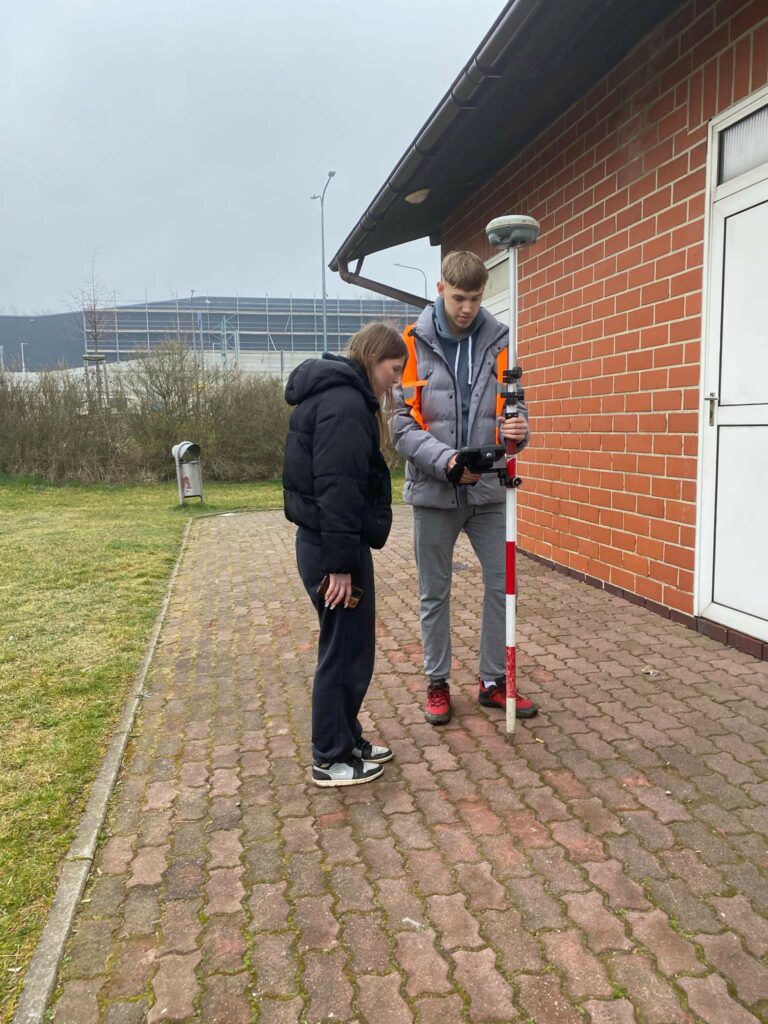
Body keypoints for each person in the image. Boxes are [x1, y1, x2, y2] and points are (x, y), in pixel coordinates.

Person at [390, 250, 539, 726]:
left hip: (490, 494)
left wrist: (519, 431)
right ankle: (437, 682)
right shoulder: (411, 345)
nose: (467, 308)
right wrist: (447, 462)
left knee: (503, 586)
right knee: (434, 592)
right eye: (458, 297)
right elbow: (400, 426)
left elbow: (516, 410)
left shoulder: (502, 340)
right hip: (434, 494)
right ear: (441, 290)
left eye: (475, 298)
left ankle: (494, 682)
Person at [283, 322, 408, 786]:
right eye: (394, 369)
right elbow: (337, 488)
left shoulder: (340, 397)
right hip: (332, 548)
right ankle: (329, 756)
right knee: (342, 652)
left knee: (352, 648)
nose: (395, 381)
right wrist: (339, 566)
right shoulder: (345, 404)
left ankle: (346, 737)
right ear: (373, 360)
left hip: (334, 542)